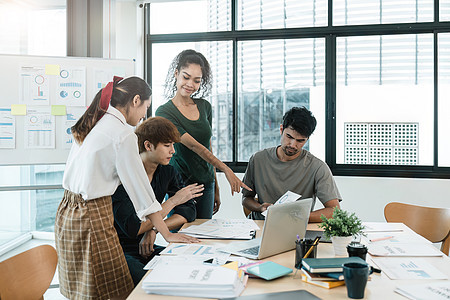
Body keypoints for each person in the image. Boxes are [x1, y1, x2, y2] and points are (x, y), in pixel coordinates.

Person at [55, 76, 198, 300]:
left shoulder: (96, 122)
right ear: (136, 100)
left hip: (69, 212)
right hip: (92, 214)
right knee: (110, 288)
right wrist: (166, 233)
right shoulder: (122, 134)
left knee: (85, 288)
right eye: (145, 108)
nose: (144, 115)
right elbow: (141, 190)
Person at [156, 49, 251, 219]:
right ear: (176, 74)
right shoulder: (164, 112)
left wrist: (216, 187)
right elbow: (194, 146)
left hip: (206, 183)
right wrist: (226, 169)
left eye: (197, 80)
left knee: (205, 234)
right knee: (181, 236)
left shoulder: (204, 106)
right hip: (180, 185)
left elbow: (208, 146)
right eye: (186, 77)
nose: (190, 84)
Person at [112, 116, 203, 286]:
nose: (173, 151)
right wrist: (173, 201)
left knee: (193, 264)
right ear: (148, 145)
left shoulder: (167, 172)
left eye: (173, 146)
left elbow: (189, 212)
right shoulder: (123, 176)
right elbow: (133, 228)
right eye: (167, 145)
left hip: (148, 246)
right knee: (149, 283)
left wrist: (153, 229)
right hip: (120, 250)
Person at [242, 106, 341, 222]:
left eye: (300, 141)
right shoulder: (257, 159)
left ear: (307, 139)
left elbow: (334, 210)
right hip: (260, 224)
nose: (293, 145)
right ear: (281, 130)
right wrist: (260, 207)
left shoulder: (317, 167)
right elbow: (246, 198)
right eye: (289, 137)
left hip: (295, 227)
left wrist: (298, 217)